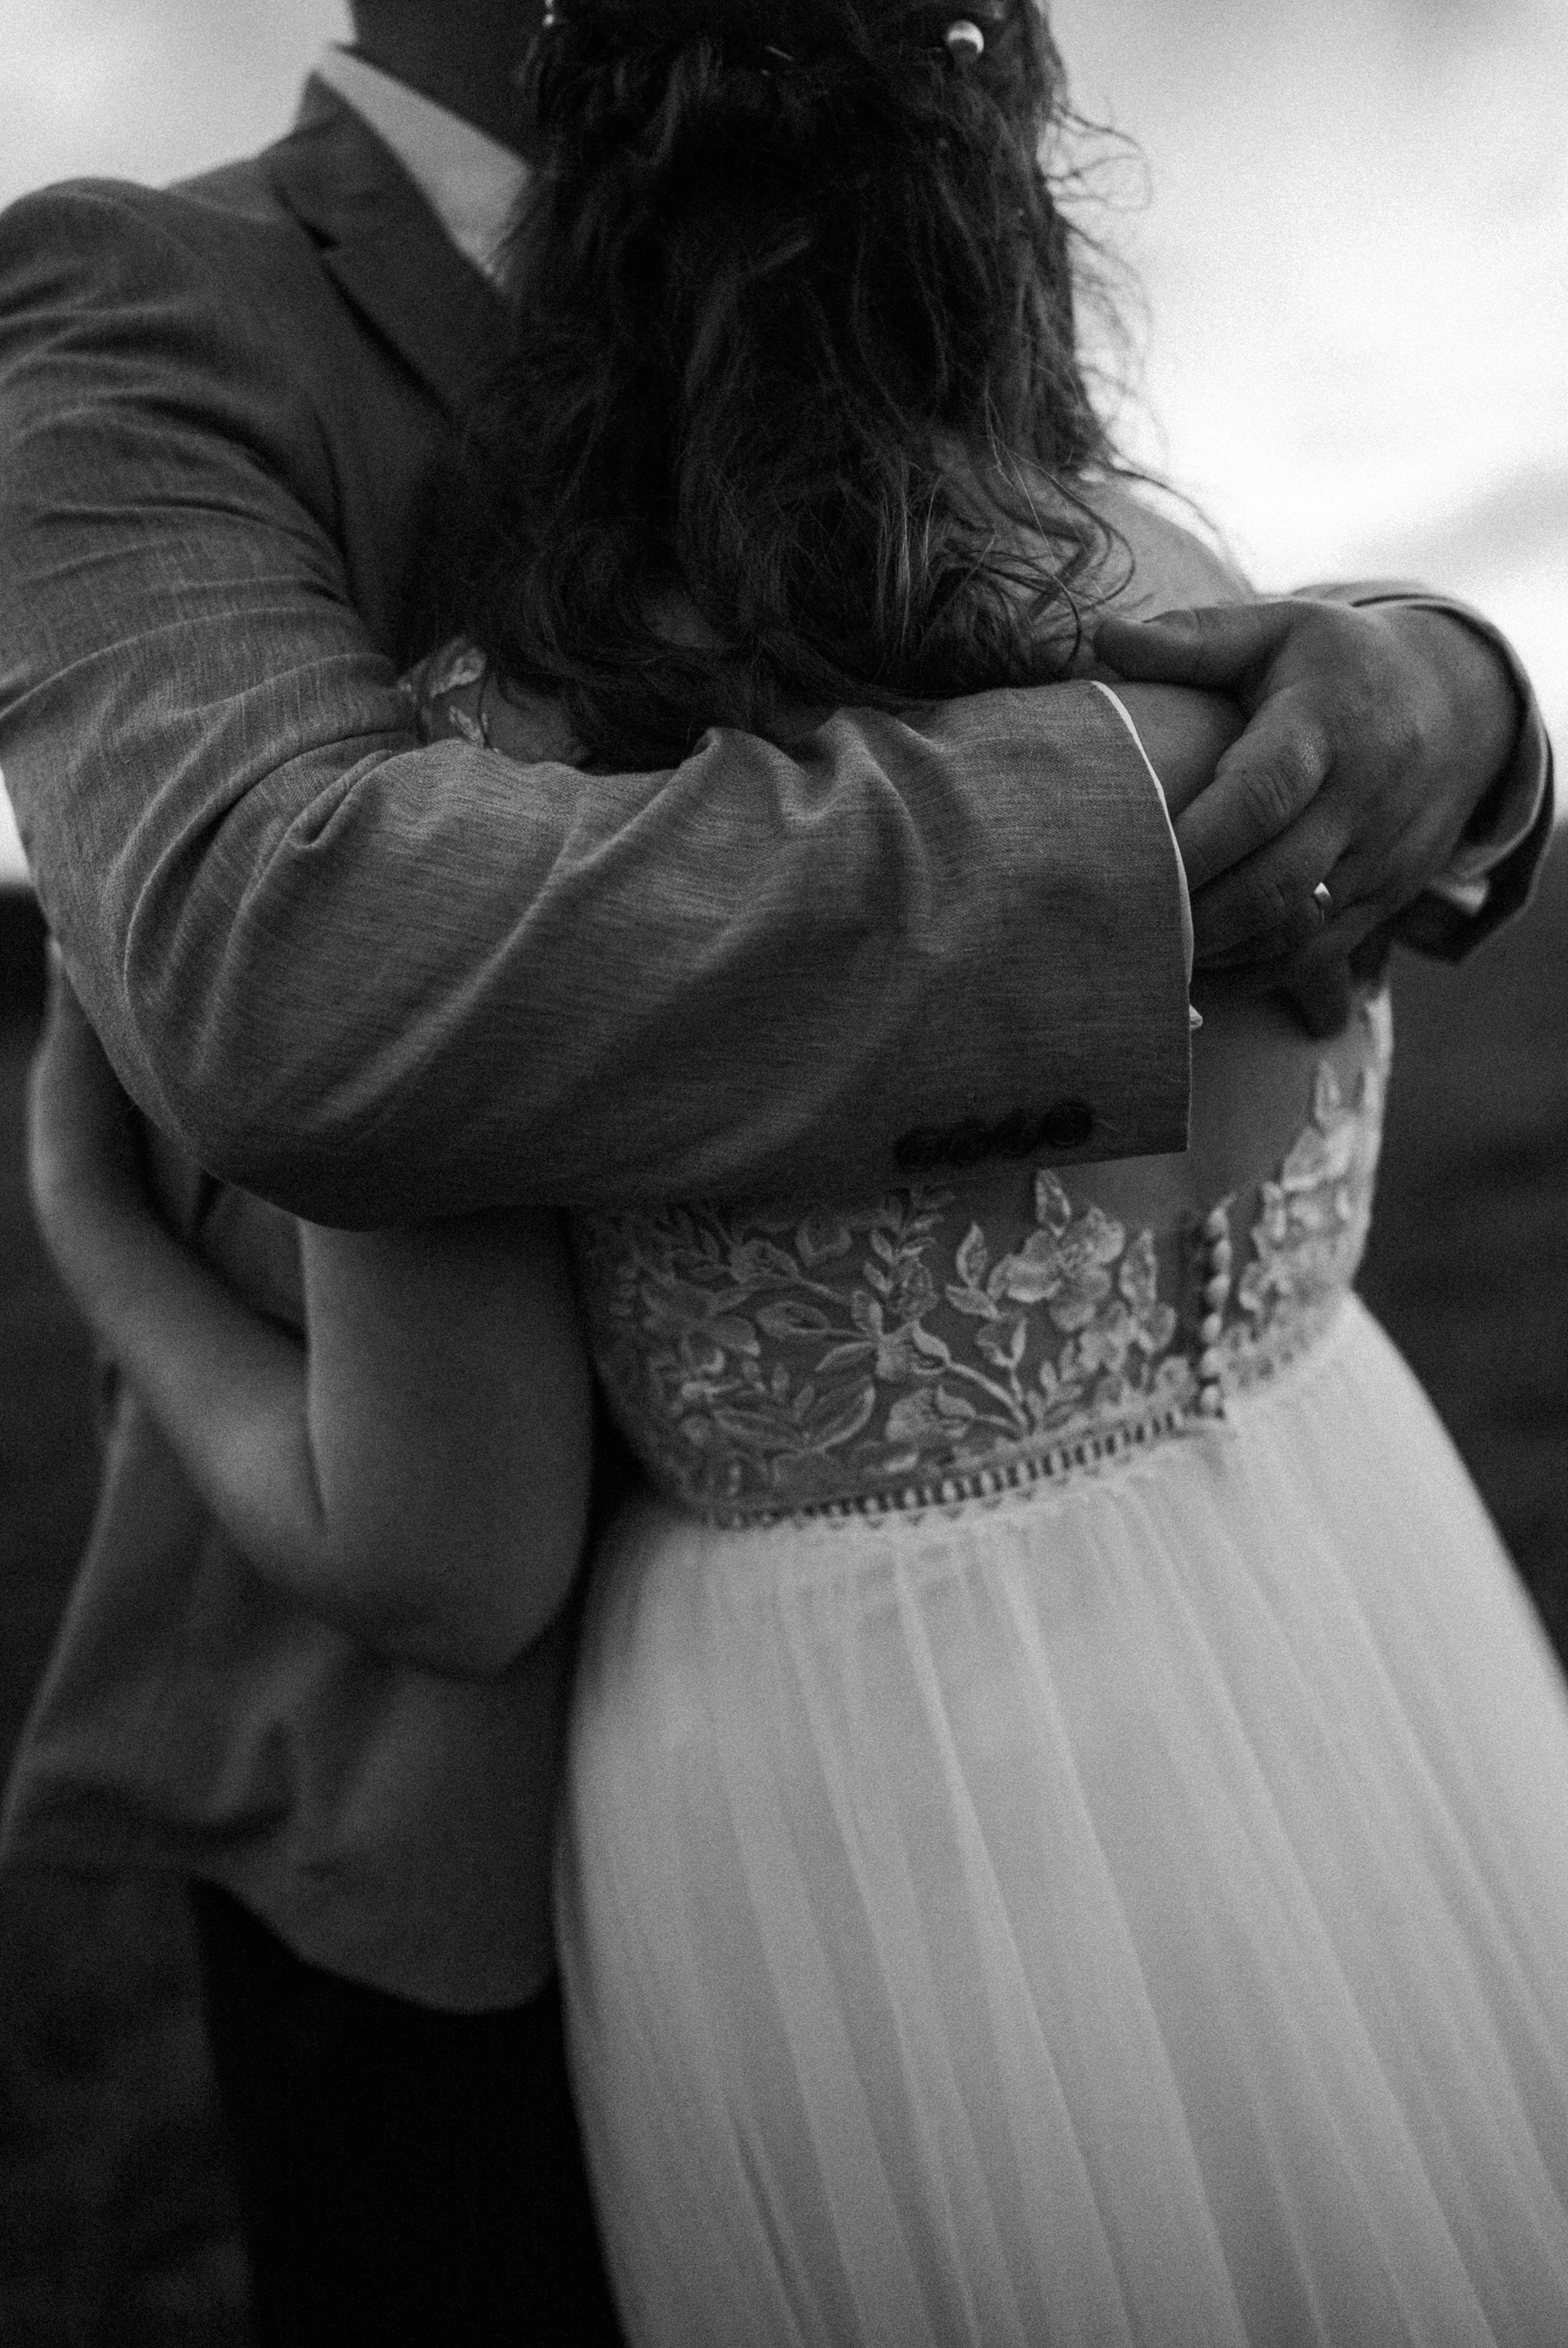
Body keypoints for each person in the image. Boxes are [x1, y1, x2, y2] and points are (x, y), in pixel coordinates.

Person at [1, 0, 1552, 2334]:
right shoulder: (132, 298)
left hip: (774, 1782)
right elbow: (293, 985)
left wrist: (1453, 690)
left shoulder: (532, 720)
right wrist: (1206, 775)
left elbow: (440, 1511)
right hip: (553, 1821)